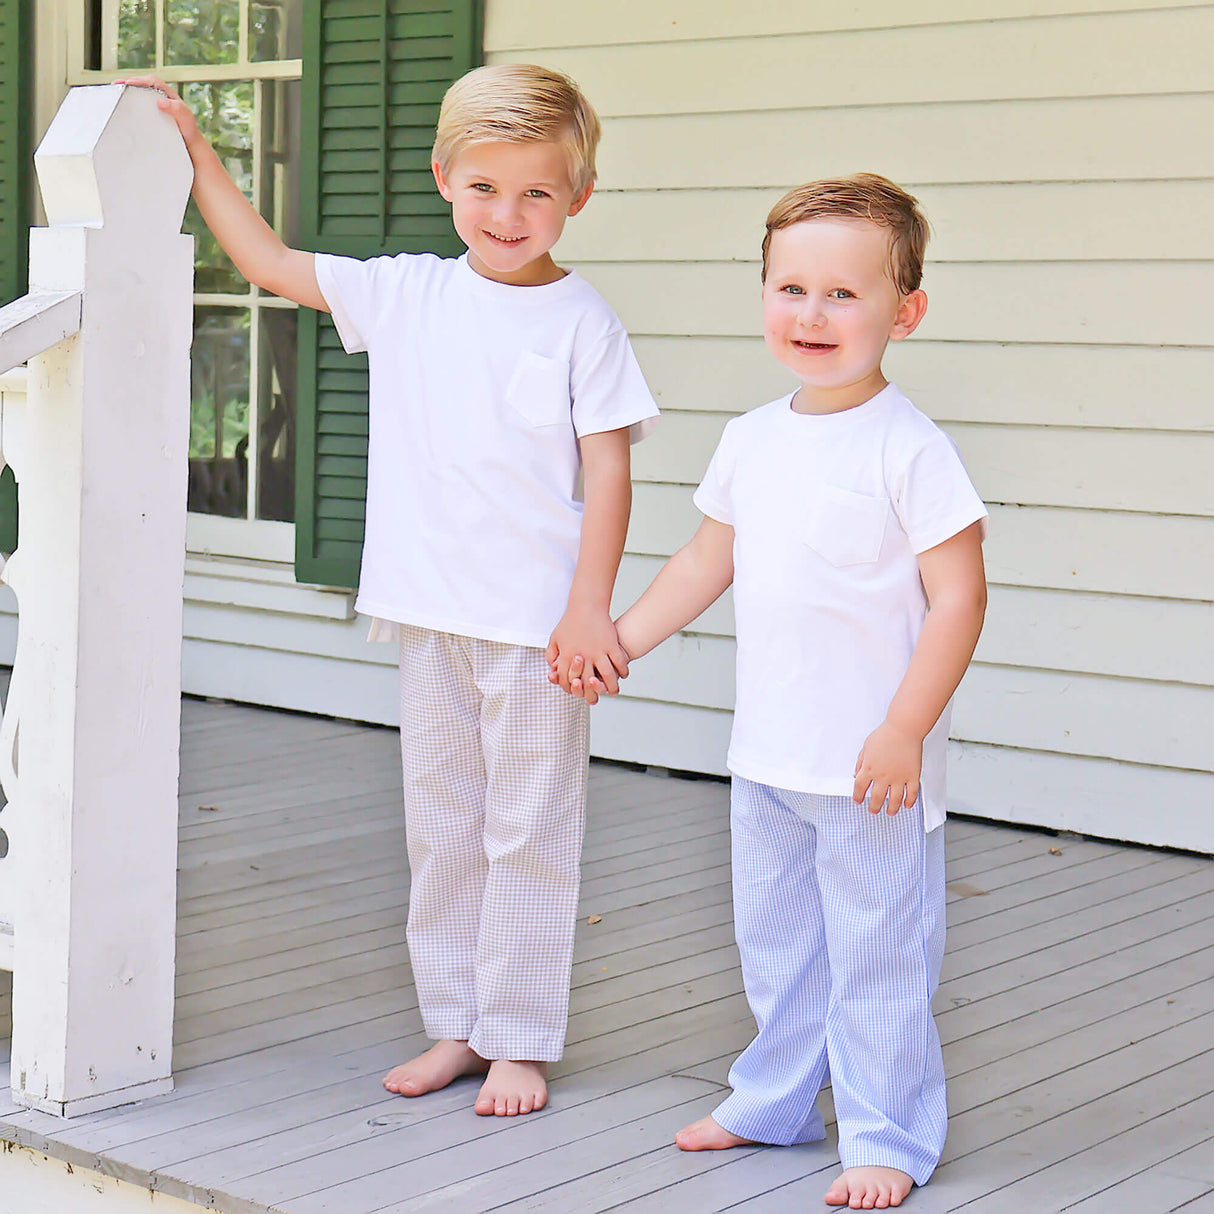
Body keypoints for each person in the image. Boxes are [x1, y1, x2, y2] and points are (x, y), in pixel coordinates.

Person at [130, 64, 659, 1118]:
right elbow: (270, 261)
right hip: (428, 619)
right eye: (484, 188)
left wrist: (589, 605)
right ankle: (455, 1026)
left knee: (529, 832)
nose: (507, 215)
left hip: (534, 628)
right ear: (443, 180)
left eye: (536, 194)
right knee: (443, 827)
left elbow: (608, 469)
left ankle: (519, 1037)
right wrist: (198, 157)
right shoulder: (407, 289)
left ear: (578, 197)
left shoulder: (581, 320)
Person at [565, 174, 987, 1208]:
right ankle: (773, 1099)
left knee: (878, 957)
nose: (811, 314)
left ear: (905, 311)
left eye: (843, 294)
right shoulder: (751, 436)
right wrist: (618, 639)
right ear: (762, 294)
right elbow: (705, 562)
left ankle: (886, 1134)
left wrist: (903, 725)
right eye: (790, 288)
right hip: (766, 754)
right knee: (778, 948)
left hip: (869, 770)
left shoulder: (909, 448)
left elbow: (957, 599)